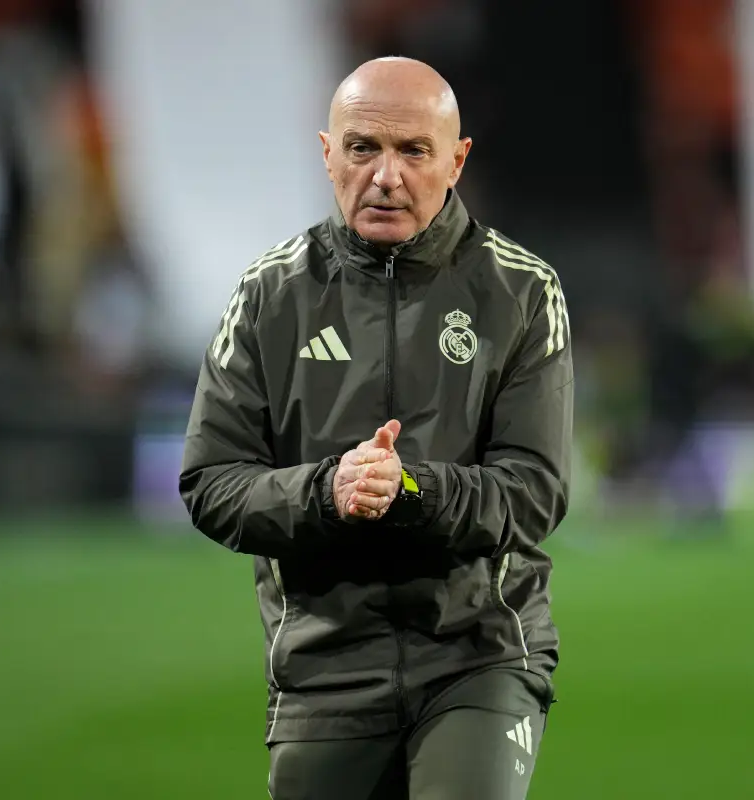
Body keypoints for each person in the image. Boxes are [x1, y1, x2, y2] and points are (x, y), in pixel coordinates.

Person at [179, 56, 574, 800]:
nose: (385, 175)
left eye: (413, 151)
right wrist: (327, 491)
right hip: (324, 669)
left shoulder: (522, 290)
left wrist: (412, 488)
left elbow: (535, 492)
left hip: (478, 652)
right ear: (328, 153)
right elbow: (210, 482)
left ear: (455, 161)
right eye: (363, 148)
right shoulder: (269, 295)